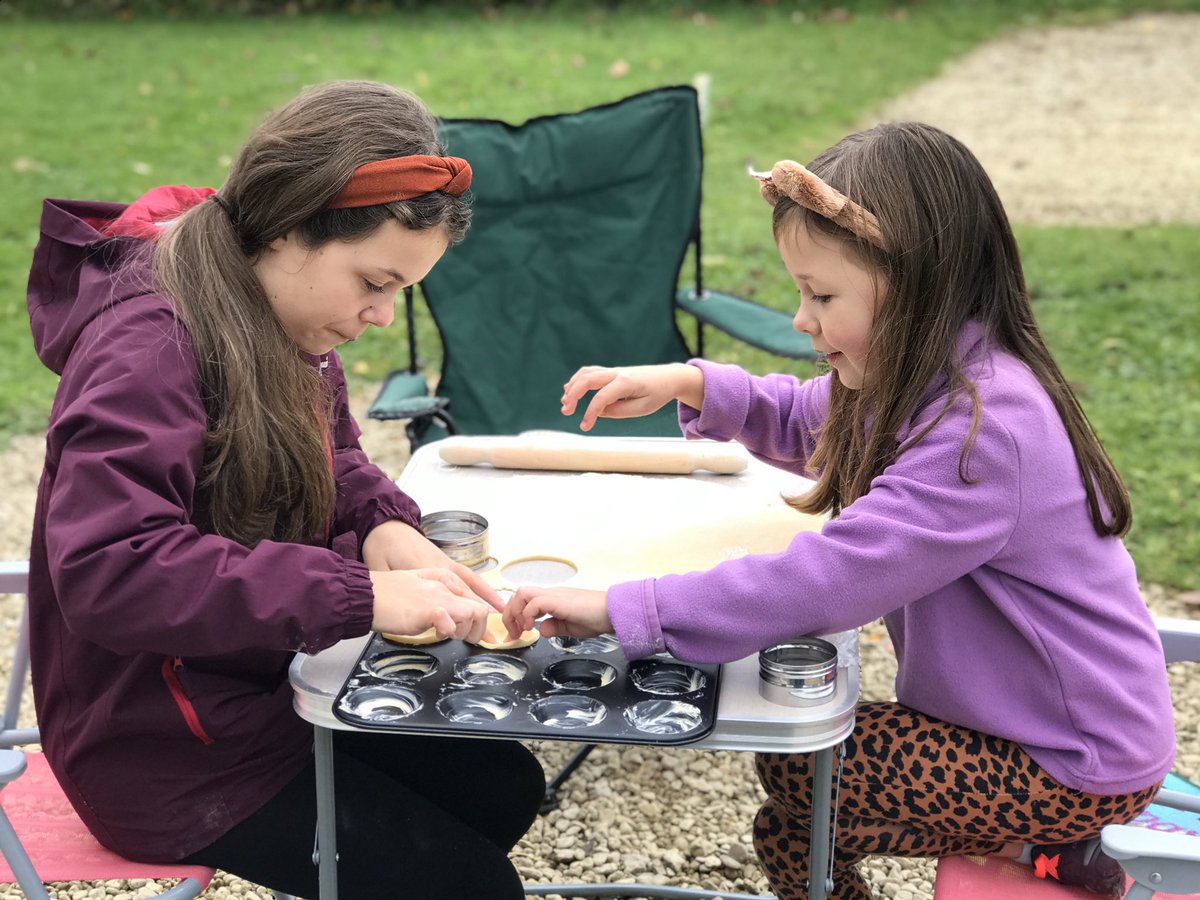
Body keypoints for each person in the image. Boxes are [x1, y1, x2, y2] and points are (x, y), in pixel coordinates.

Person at [502, 122, 1175, 899]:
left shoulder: (986, 435)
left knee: (805, 767)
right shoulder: (932, 371)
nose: (800, 318)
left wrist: (630, 608)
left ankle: (1053, 848)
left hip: (1071, 759)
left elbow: (827, 579)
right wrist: (691, 384)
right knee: (793, 819)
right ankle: (1050, 855)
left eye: (821, 295)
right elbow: (808, 418)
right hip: (1047, 734)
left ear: (921, 288)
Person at [26, 80, 544, 898]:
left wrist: (382, 524)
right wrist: (358, 595)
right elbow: (111, 571)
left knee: (505, 787)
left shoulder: (278, 305)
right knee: (471, 884)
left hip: (262, 690)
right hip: (162, 751)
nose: (380, 315)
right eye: (374, 282)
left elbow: (329, 454)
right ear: (290, 226)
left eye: (400, 292)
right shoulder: (148, 348)